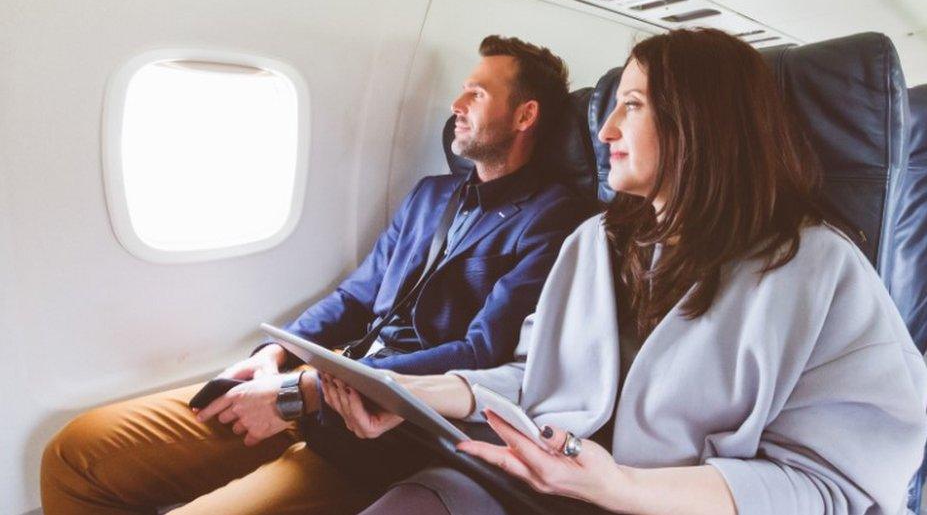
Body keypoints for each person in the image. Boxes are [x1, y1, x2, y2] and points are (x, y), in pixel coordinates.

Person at [321, 28, 927, 515]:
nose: (605, 131)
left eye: (631, 107)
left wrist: (619, 488)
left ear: (701, 121)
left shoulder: (818, 269)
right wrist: (413, 394)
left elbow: (829, 486)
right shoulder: (597, 241)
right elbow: (533, 378)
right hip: (536, 482)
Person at [40, 35, 594, 514]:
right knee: (76, 455)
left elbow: (480, 352)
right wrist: (278, 354)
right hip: (316, 379)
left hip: (386, 428)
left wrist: (314, 388)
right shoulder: (433, 194)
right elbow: (358, 294)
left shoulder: (555, 219)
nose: (456, 104)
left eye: (477, 92)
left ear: (525, 116)